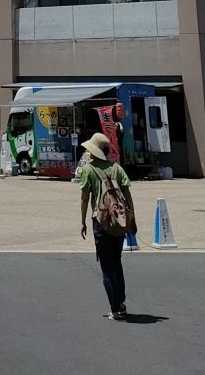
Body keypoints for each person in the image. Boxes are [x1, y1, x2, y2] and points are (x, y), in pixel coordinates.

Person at [77, 132, 135, 319]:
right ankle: (121, 303)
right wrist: (131, 219)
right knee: (117, 262)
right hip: (118, 221)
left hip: (100, 222)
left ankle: (115, 308)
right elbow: (128, 195)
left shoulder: (89, 170)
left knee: (107, 268)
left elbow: (84, 198)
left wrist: (82, 221)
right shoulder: (117, 169)